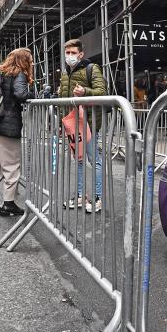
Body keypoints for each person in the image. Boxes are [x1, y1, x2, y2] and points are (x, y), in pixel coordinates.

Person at [0, 48, 37, 217]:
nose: (32, 63)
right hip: (8, 126)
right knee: (11, 166)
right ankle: (9, 202)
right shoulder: (18, 74)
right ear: (23, 61)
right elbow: (20, 94)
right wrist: (33, 94)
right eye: (30, 60)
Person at [59, 38, 106, 213]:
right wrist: (60, 124)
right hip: (73, 125)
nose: (69, 56)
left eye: (73, 53)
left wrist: (85, 92)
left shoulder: (91, 68)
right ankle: (80, 196)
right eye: (67, 53)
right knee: (78, 161)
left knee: (94, 161)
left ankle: (97, 197)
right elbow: (63, 101)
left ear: (81, 54)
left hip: (90, 123)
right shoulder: (65, 74)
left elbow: (102, 92)